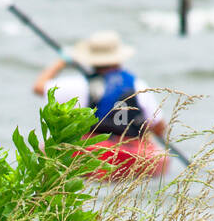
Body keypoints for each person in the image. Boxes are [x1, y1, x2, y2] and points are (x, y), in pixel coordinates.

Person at [31, 30, 166, 139]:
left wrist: (61, 63)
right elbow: (159, 127)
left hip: (92, 148)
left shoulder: (79, 84)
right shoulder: (138, 85)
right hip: (130, 150)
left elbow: (38, 87)